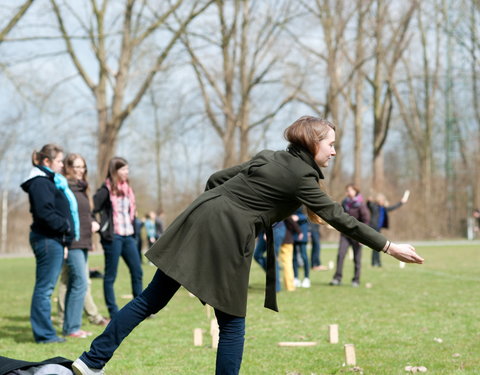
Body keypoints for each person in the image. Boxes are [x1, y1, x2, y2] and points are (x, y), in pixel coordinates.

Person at [72, 116, 423, 375]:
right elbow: (339, 217)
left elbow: (215, 179)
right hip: (225, 234)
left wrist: (222, 212)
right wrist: (389, 245)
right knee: (232, 323)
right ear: (313, 143)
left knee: (151, 299)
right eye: (330, 143)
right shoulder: (301, 176)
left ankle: (89, 363)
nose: (334, 150)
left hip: (199, 217)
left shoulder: (270, 156)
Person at [21, 144, 76, 343]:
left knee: (46, 288)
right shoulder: (40, 182)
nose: (62, 165)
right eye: (60, 161)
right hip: (47, 240)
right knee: (44, 289)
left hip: (53, 240)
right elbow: (45, 213)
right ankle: (45, 335)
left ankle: (45, 333)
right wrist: (66, 226)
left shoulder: (46, 181)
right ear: (47, 161)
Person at [57, 154, 109, 332]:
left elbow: (85, 215)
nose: (80, 170)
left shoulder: (82, 188)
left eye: (82, 167)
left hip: (84, 240)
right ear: (68, 168)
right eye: (76, 167)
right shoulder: (64, 188)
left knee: (75, 282)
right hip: (72, 241)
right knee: (80, 282)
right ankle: (71, 327)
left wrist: (92, 229)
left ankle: (70, 325)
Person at [93, 157, 143, 319]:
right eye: (123, 169)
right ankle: (113, 311)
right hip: (113, 237)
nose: (127, 172)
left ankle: (140, 308)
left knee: (137, 270)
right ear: (115, 171)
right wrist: (97, 225)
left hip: (128, 235)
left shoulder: (128, 188)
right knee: (110, 275)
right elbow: (92, 209)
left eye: (128, 169)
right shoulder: (105, 190)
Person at [329, 184, 370, 287]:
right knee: (340, 255)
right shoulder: (345, 202)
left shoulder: (361, 204)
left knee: (357, 259)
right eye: (347, 190)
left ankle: (356, 280)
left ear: (355, 191)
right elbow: (340, 215)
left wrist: (363, 237)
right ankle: (337, 278)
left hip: (357, 235)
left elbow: (366, 220)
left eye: (350, 190)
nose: (348, 192)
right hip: (345, 234)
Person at [367, 190, 410, 267]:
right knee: (376, 246)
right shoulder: (374, 207)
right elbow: (369, 204)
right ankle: (375, 263)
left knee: (377, 246)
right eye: (381, 200)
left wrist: (401, 202)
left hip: (378, 229)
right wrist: (369, 200)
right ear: (378, 201)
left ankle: (376, 263)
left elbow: (393, 207)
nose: (383, 201)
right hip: (373, 228)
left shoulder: (383, 209)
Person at [253, 222, 286, 292]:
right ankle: (271, 274)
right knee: (257, 255)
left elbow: (275, 216)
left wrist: (268, 230)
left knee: (272, 258)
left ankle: (276, 287)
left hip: (276, 229)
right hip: (263, 231)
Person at [278, 217, 302, 291]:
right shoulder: (285, 211)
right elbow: (290, 220)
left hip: (282, 240)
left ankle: (288, 284)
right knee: (288, 264)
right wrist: (299, 231)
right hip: (287, 241)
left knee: (286, 264)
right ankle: (289, 286)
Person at [292, 207, 311, 288]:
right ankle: (295, 278)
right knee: (294, 257)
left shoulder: (303, 203)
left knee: (304, 256)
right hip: (293, 232)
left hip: (302, 232)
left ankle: (307, 278)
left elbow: (308, 216)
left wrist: (299, 217)